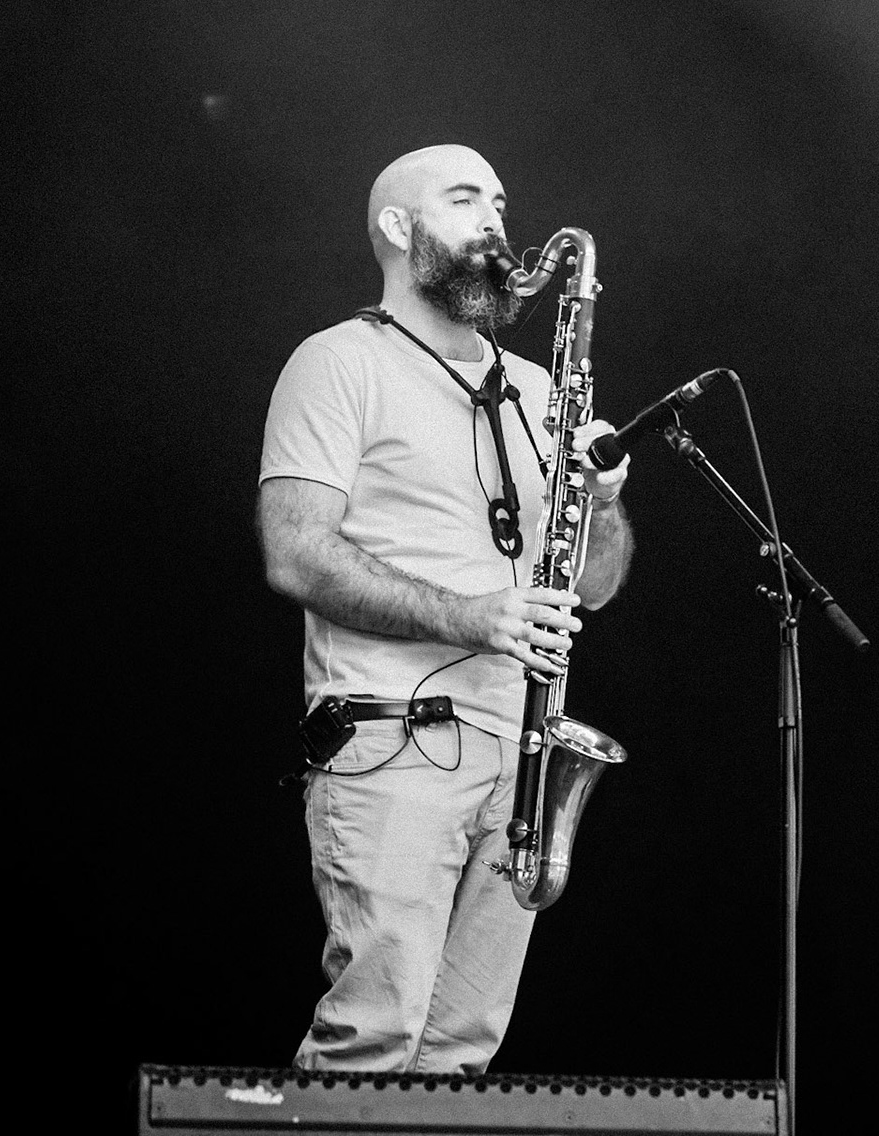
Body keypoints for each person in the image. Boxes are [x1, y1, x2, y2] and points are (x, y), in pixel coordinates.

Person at [257, 143, 635, 1074]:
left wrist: (607, 496)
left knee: (461, 1054)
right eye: (464, 200)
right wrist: (473, 616)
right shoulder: (338, 362)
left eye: (500, 202)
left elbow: (594, 585)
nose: (495, 223)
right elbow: (295, 552)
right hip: (394, 735)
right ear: (397, 228)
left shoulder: (541, 391)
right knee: (374, 1034)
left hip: (523, 753)